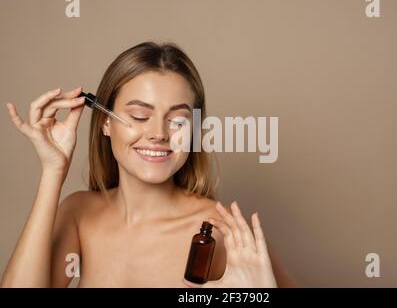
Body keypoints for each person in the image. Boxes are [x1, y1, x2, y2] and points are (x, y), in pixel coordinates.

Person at [2, 41, 298, 287]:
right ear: (106, 122)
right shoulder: (78, 214)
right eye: (140, 116)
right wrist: (53, 171)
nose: (159, 134)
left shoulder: (222, 233)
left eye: (178, 120)